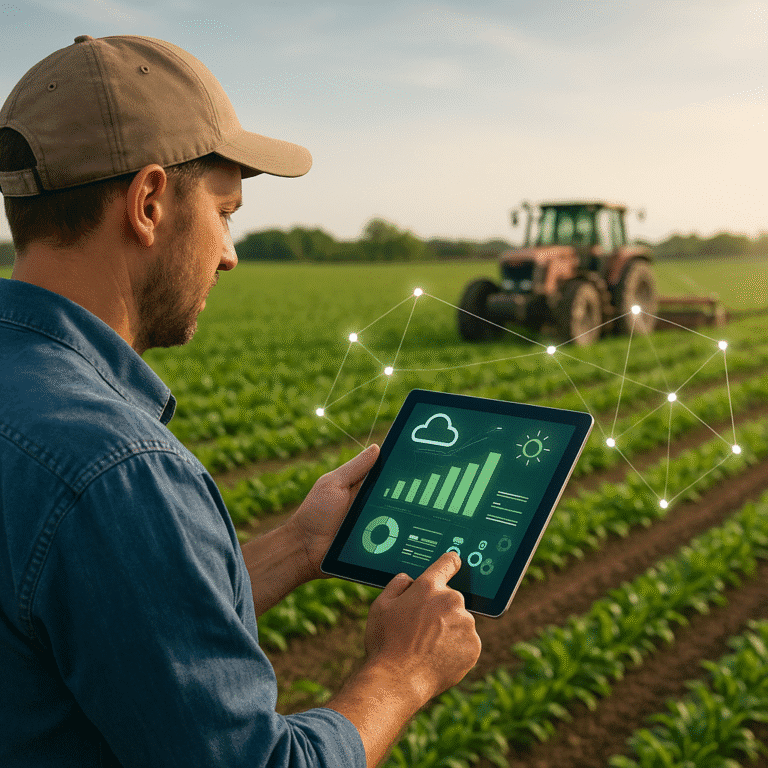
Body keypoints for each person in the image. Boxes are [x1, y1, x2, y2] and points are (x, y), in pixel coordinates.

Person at [0, 35, 481, 767]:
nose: (228, 253)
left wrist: (299, 548)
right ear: (150, 203)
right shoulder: (114, 470)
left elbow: (119, 626)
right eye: (225, 212)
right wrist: (402, 673)